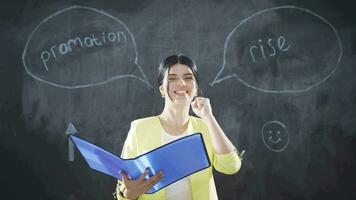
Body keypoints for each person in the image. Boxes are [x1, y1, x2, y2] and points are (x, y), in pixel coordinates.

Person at [115, 54, 242, 200]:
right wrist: (128, 195)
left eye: (188, 78)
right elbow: (124, 184)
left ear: (195, 88)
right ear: (162, 89)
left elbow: (231, 166)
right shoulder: (139, 128)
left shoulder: (206, 126)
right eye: (172, 78)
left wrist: (208, 117)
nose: (181, 83)